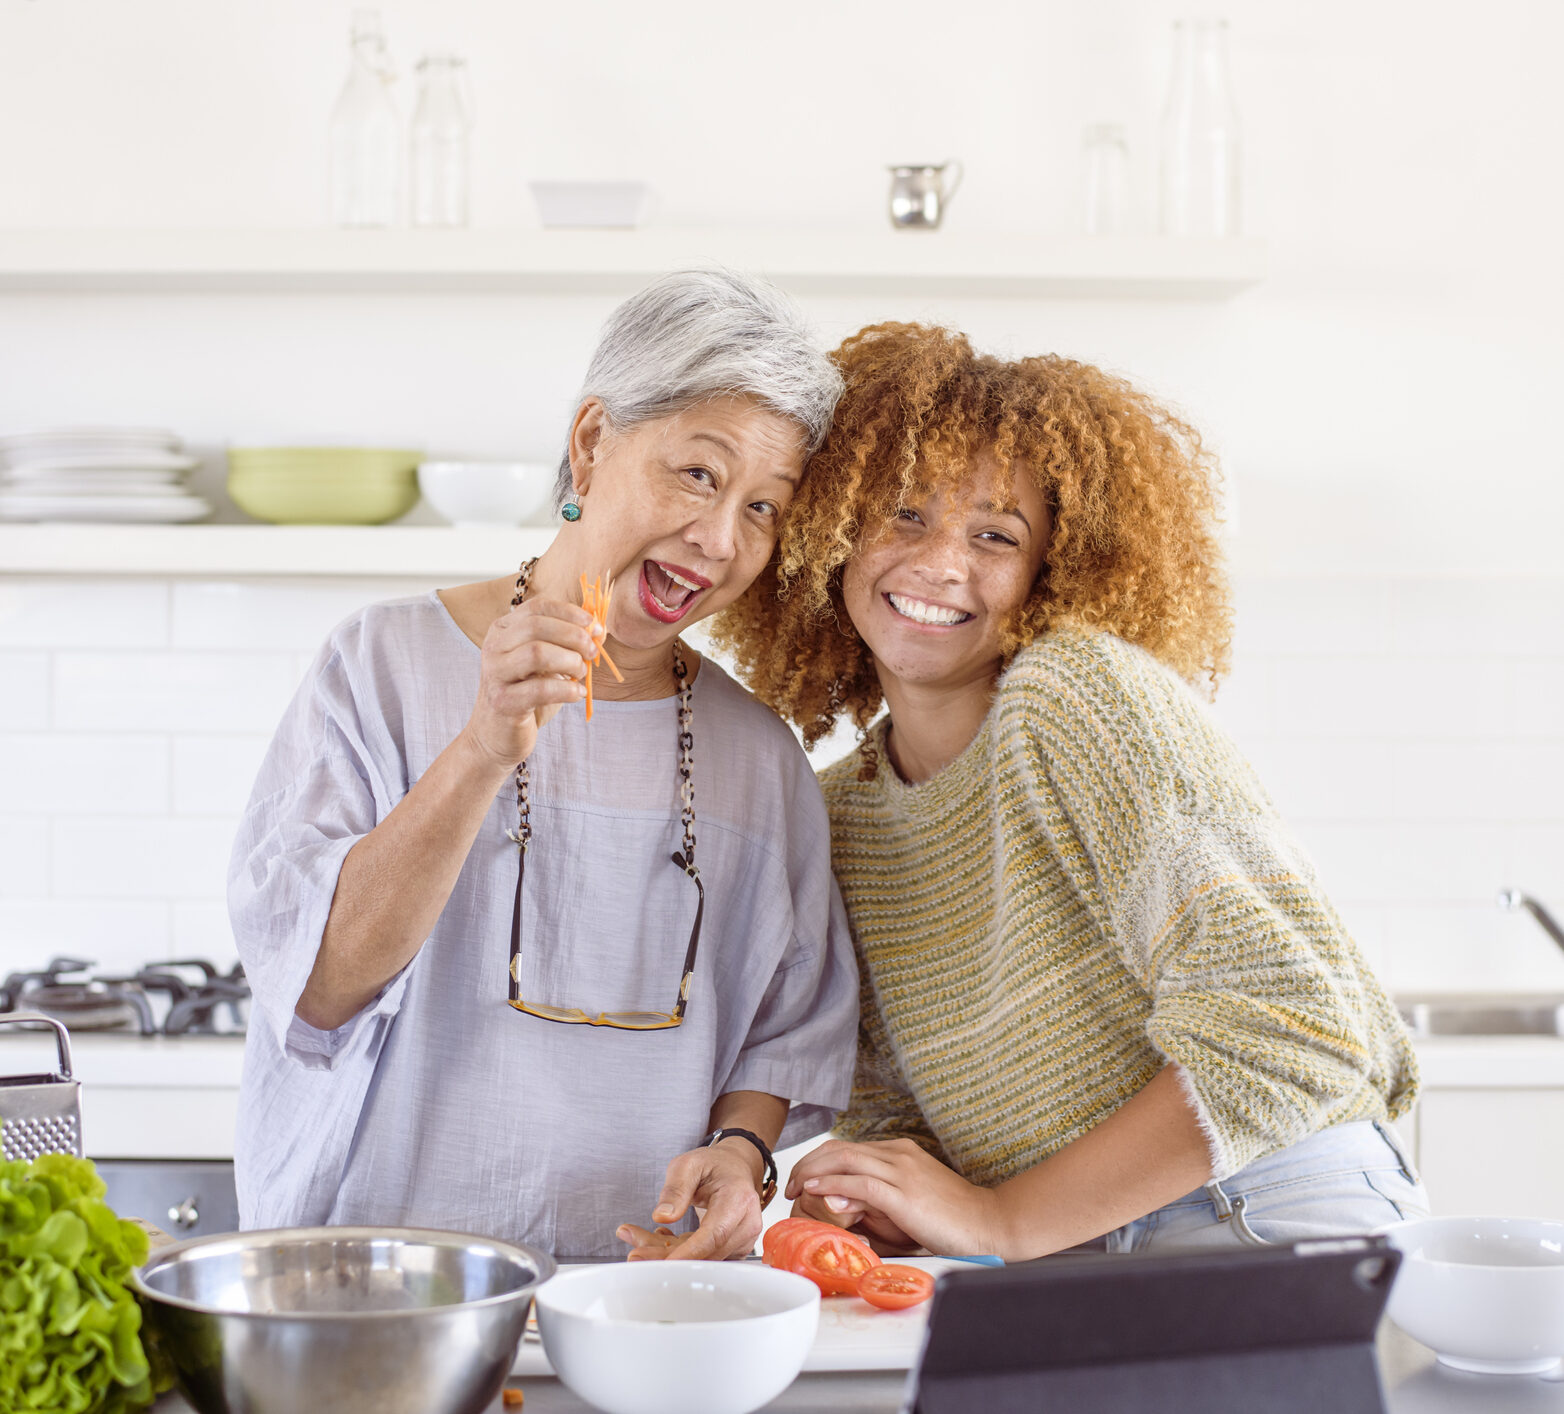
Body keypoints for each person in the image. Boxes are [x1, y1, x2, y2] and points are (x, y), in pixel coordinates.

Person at [716, 322, 1427, 1259]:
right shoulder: (841, 811)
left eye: (995, 536)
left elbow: (1291, 1027)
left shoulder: (1072, 700)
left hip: (1260, 1209)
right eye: (906, 514)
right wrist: (887, 1199)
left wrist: (998, 1218)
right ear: (835, 531)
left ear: (1052, 568)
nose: (939, 564)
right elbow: (903, 1110)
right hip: (1081, 1246)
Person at [229, 270, 858, 1260]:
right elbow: (318, 985)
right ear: (593, 443)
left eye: (765, 508)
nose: (719, 539)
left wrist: (743, 1153)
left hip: (636, 1299)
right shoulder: (381, 666)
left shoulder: (760, 761)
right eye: (698, 474)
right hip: (372, 1293)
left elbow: (781, 1030)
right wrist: (483, 744)